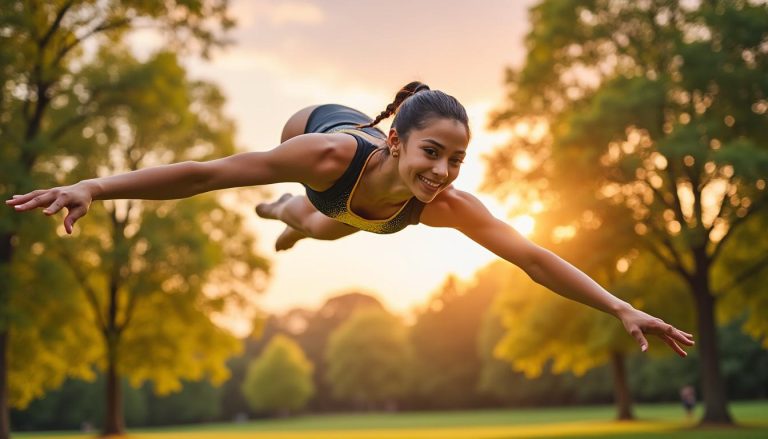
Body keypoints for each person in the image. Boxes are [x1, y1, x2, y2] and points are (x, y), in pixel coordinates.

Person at [6, 81, 695, 356]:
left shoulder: (442, 204)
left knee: (325, 228)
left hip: (375, 211)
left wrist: (619, 306)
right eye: (433, 152)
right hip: (324, 156)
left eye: (457, 158)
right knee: (312, 214)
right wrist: (95, 184)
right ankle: (285, 204)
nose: (444, 172)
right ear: (398, 139)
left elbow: (533, 256)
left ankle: (293, 218)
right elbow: (207, 174)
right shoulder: (330, 152)